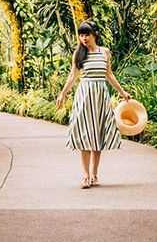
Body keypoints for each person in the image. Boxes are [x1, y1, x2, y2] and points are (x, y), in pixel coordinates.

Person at [55, 19, 131, 188]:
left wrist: (122, 92)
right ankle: (85, 175)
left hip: (100, 97)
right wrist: (63, 94)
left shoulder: (104, 52)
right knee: (84, 135)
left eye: (86, 34)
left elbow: (109, 75)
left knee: (97, 135)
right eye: (81, 35)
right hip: (84, 96)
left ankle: (95, 175)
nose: (84, 38)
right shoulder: (79, 54)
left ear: (94, 34)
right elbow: (72, 76)